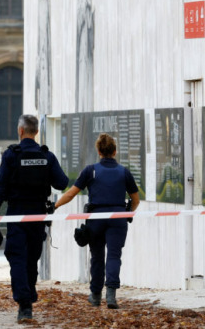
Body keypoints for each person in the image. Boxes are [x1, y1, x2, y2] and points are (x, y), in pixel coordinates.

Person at [0, 114, 69, 322]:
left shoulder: (11, 155)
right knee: (31, 258)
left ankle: (25, 304)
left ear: (20, 131)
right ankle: (28, 295)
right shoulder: (46, 156)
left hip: (17, 215)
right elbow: (62, 183)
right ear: (36, 132)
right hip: (38, 215)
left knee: (17, 258)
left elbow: (0, 187)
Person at [54, 133, 140, 310]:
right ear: (115, 151)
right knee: (114, 256)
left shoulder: (90, 170)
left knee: (97, 257)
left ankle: (95, 295)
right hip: (118, 218)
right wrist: (128, 212)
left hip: (96, 218)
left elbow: (71, 194)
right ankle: (111, 296)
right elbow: (136, 199)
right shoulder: (124, 172)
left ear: (99, 151)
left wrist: (54, 206)